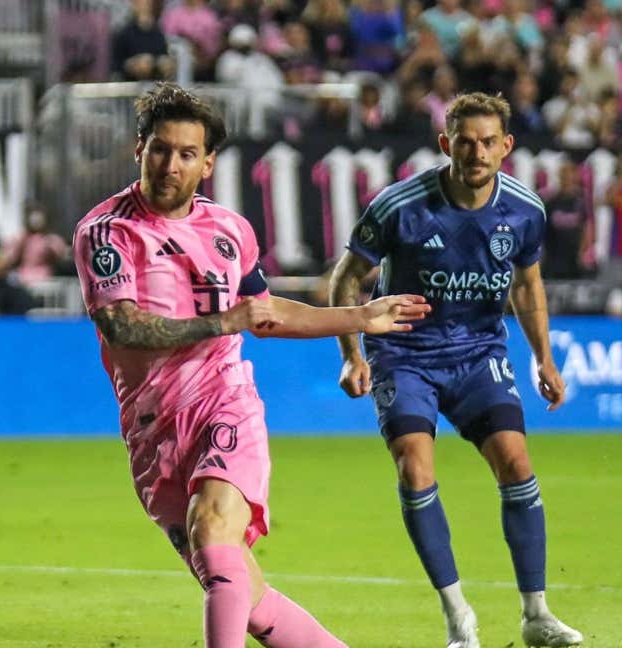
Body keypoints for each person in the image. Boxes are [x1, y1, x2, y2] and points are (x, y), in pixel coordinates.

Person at [73, 83, 429, 648]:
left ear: (208, 162)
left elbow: (264, 313)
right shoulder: (107, 232)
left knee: (212, 527)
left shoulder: (230, 230)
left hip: (224, 400)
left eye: (187, 154)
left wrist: (358, 316)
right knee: (247, 597)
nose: (170, 164)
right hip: (153, 432)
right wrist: (224, 321)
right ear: (138, 149)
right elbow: (121, 325)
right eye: (160, 149)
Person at [328, 92, 584, 648]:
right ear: (445, 145)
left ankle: (536, 614)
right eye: (464, 141)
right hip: (405, 353)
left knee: (516, 461)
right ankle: (457, 616)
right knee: (415, 469)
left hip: (478, 353)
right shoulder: (399, 206)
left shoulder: (524, 210)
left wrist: (544, 357)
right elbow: (346, 279)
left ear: (506, 146)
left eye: (489, 141)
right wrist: (351, 353)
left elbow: (526, 284)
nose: (476, 151)